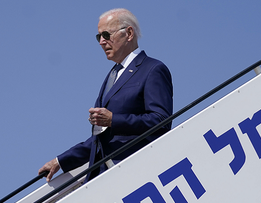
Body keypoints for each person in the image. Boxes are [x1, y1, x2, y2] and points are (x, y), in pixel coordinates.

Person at [39, 8, 173, 182]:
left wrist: (113, 120)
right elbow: (101, 140)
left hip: (133, 173)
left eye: (106, 35)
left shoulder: (152, 69)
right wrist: (61, 161)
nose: (101, 42)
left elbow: (161, 121)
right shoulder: (113, 75)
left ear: (129, 33)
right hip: (103, 177)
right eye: (98, 37)